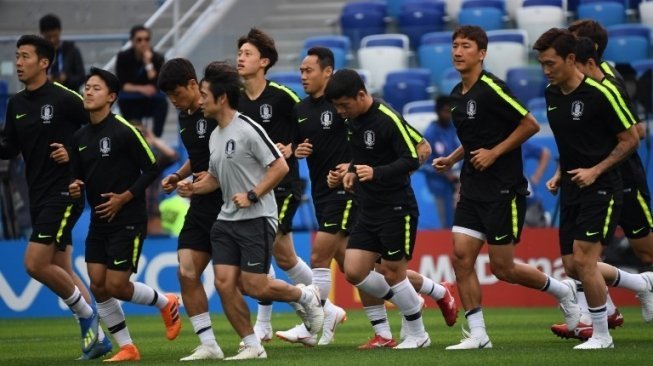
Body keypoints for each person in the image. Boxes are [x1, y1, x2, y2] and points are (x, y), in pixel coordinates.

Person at [432, 26, 580, 350]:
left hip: (503, 189)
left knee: (503, 268)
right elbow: (474, 139)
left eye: (466, 46)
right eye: (454, 45)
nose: (458, 51)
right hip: (472, 187)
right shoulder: (457, 95)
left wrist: (496, 153)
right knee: (460, 257)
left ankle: (562, 291)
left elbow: (530, 124)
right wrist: (454, 157)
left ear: (481, 53)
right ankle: (478, 334)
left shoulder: (491, 89)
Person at [176, 61, 324, 360]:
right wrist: (193, 187)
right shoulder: (215, 135)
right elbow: (215, 179)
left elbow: (280, 166)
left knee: (254, 286)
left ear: (221, 98)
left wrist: (254, 194)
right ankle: (253, 345)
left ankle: (304, 295)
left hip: (257, 217)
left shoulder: (248, 129)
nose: (200, 100)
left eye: (205, 95)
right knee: (224, 284)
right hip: (226, 219)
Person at [532, 28, 644, 349]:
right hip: (571, 186)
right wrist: (557, 173)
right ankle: (640, 283)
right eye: (541, 64)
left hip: (603, 185)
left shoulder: (601, 94)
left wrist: (595, 170)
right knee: (571, 265)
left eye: (551, 63)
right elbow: (569, 143)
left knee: (584, 261)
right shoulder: (552, 94)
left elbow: (631, 138)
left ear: (571, 59)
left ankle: (601, 335)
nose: (546, 70)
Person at [0, 34, 106, 359]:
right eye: (16, 56)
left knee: (34, 263)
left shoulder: (64, 98)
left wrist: (72, 152)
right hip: (37, 193)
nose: (18, 62)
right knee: (61, 266)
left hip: (66, 191)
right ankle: (101, 338)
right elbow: (9, 148)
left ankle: (88, 317)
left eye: (25, 56)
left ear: (44, 62)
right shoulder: (16, 104)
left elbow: (100, 128)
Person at [68, 67, 182, 361]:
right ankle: (127, 347)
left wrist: (125, 197)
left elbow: (153, 167)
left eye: (95, 88)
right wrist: (76, 188)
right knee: (97, 284)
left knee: (117, 285)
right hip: (99, 220)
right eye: (87, 87)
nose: (88, 92)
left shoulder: (124, 130)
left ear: (111, 97)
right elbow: (78, 177)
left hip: (128, 219)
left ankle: (165, 301)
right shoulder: (79, 136)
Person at [324, 68, 433, 349]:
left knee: (394, 272)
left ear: (361, 95)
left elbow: (412, 158)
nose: (340, 111)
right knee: (354, 271)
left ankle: (418, 334)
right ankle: (409, 298)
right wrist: (349, 173)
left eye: (344, 105)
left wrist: (376, 172)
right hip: (368, 207)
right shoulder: (353, 120)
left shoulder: (387, 118)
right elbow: (361, 158)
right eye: (336, 106)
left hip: (396, 206)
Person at [235, 28, 313, 340]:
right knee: (284, 257)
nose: (241, 58)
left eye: (247, 54)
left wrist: (293, 147)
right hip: (253, 188)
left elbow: (308, 124)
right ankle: (325, 305)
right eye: (239, 53)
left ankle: (265, 325)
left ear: (264, 62)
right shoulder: (236, 101)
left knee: (261, 250)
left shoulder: (283, 97)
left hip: (282, 184)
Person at [158, 57, 225, 360]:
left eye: (177, 93)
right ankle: (208, 344)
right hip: (200, 203)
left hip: (229, 203)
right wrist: (179, 175)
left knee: (253, 284)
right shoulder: (186, 115)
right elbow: (197, 156)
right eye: (169, 96)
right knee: (186, 272)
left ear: (193, 85)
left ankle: (310, 299)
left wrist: (207, 178)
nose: (174, 100)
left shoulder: (216, 109)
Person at [116, 24, 167, 137]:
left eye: (146, 39)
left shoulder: (157, 58)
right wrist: (142, 89)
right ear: (132, 41)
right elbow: (122, 84)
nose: (143, 43)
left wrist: (148, 63)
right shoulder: (123, 57)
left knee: (162, 103)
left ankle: (155, 139)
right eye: (139, 40)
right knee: (126, 104)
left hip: (151, 100)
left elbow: (158, 84)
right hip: (131, 101)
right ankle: (133, 137)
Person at [422, 95, 460, 228]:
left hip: (458, 183)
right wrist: (444, 173)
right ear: (438, 111)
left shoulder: (454, 129)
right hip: (439, 185)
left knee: (461, 223)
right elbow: (424, 165)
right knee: (446, 223)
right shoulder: (430, 134)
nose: (449, 115)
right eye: (445, 111)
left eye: (450, 111)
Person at [39, 14, 86, 91]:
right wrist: (44, 79)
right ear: (42, 34)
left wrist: (66, 78)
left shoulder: (72, 50)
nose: (52, 40)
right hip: (45, 95)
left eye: (55, 36)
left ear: (60, 31)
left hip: (69, 94)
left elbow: (81, 77)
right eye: (48, 37)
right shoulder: (39, 53)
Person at [522, 141, 551, 227]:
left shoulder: (519, 143)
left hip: (528, 201)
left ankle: (541, 219)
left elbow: (545, 153)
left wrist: (536, 177)